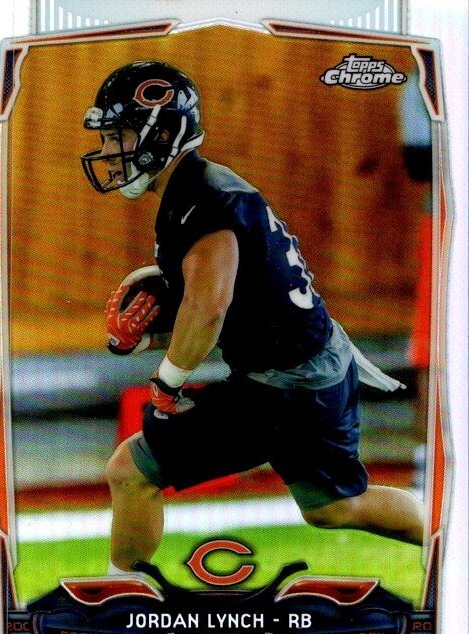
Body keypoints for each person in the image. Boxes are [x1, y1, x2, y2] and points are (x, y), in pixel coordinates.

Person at [80, 61, 423, 575]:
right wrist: (148, 339)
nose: (109, 150)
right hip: (304, 369)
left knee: (133, 470)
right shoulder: (201, 190)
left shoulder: (204, 202)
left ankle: (120, 593)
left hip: (290, 383)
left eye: (119, 135)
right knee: (334, 507)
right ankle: (446, 531)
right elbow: (233, 305)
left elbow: (209, 307)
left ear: (164, 134)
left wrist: (167, 384)